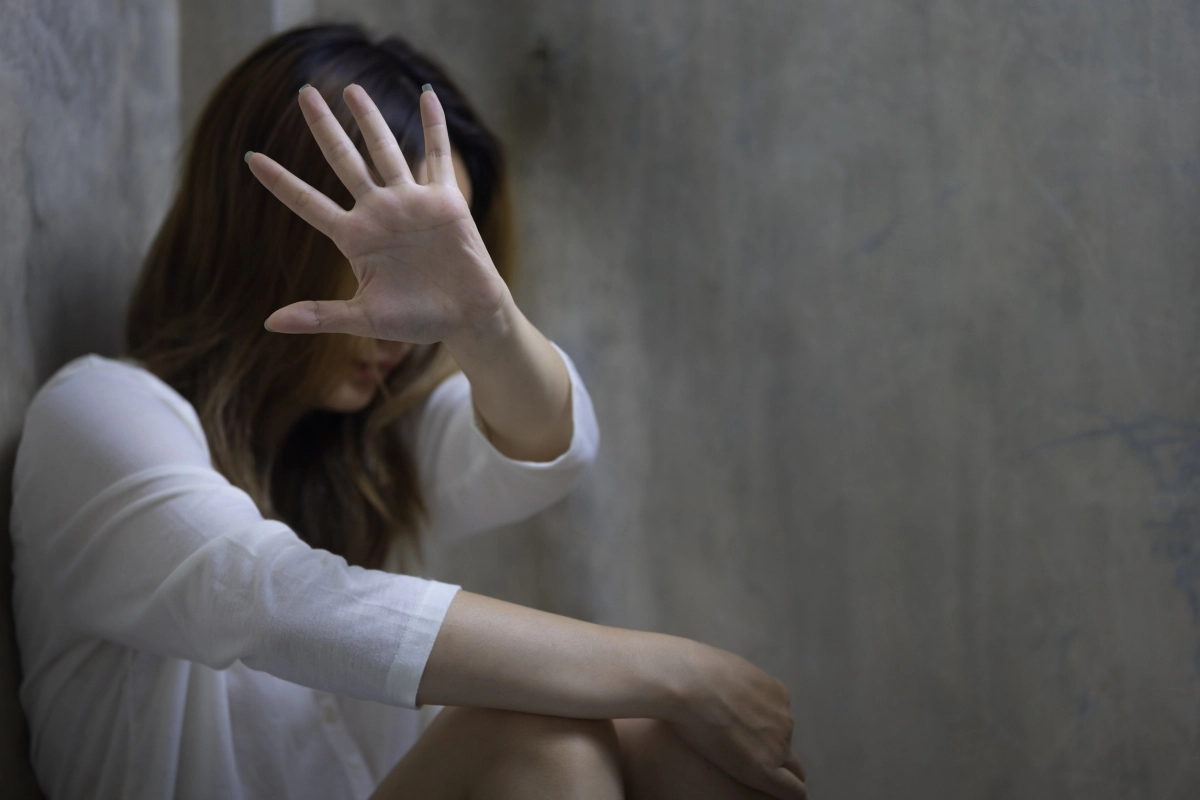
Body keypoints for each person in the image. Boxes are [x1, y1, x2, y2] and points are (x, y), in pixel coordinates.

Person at [9, 23, 806, 800]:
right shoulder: (96, 415)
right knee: (538, 734)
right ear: (270, 231)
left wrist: (484, 320)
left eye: (445, 255)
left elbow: (545, 447)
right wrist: (677, 673)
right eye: (389, 250)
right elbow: (269, 600)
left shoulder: (360, 445)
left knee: (680, 751)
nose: (408, 308)